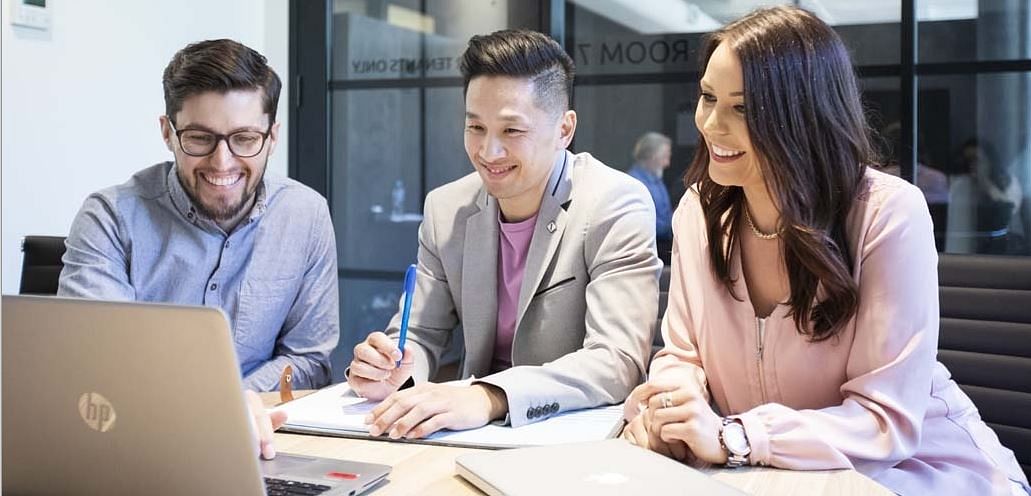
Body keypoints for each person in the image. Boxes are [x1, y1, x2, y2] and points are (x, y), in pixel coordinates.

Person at [621, 7, 1030, 495]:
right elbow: (683, 354)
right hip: (762, 473)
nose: (711, 123)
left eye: (743, 108)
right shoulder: (699, 211)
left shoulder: (887, 212)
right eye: (708, 97)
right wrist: (677, 409)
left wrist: (736, 437)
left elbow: (886, 419)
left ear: (803, 113)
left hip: (915, 470)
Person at [347, 29, 661, 439]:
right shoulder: (447, 210)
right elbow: (420, 334)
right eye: (475, 127)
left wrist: (490, 396)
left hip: (570, 436)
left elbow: (616, 359)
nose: (487, 152)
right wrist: (394, 369)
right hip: (468, 433)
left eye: (512, 131)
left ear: (564, 130)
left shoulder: (614, 203)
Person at [58, 39, 339, 393]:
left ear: (272, 138)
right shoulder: (110, 217)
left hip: (260, 433)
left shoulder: (305, 215)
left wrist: (234, 407)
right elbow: (97, 358)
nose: (223, 162)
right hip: (138, 429)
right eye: (199, 138)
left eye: (245, 138)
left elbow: (309, 361)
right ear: (167, 133)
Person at [627, 132, 674, 244]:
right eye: (665, 157)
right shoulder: (633, 183)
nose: (667, 164)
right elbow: (644, 223)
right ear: (652, 156)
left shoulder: (657, 180)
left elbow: (666, 214)